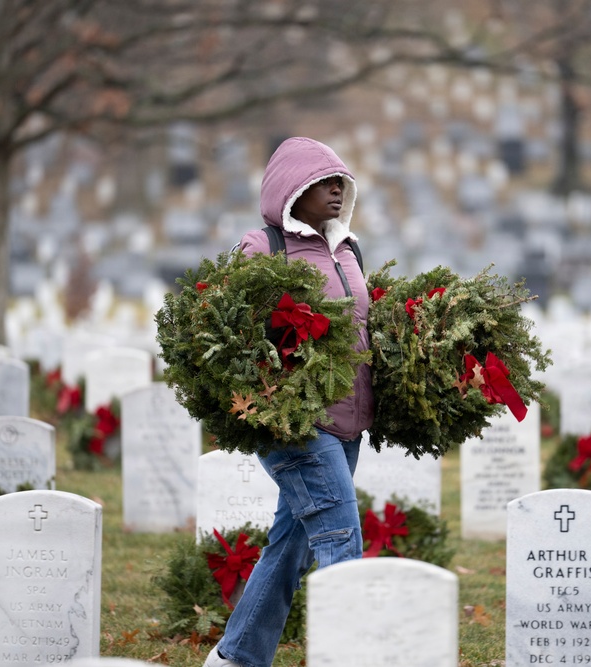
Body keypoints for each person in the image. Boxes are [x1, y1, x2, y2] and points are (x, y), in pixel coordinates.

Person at [204, 136, 374, 667]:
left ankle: (235, 659)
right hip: (296, 427)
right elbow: (228, 332)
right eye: (322, 183)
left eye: (339, 184)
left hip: (347, 425)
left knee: (290, 546)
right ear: (290, 190)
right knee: (341, 543)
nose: (334, 192)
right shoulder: (262, 248)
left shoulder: (347, 248)